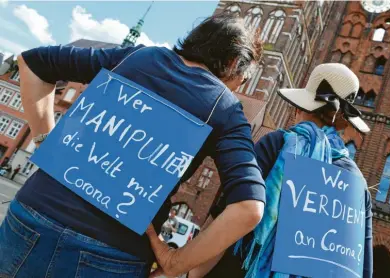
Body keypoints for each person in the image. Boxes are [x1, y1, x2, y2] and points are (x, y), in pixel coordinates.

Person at [0, 15, 266, 278]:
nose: (240, 84)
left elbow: (32, 62)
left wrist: (45, 143)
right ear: (233, 64)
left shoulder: (137, 57)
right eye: (244, 77)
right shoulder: (226, 108)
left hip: (34, 214)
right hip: (112, 252)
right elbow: (249, 207)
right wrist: (175, 263)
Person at [192, 63, 373, 278]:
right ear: (345, 123)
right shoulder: (359, 185)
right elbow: (361, 268)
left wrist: (191, 270)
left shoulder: (279, 144)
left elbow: (232, 213)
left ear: (300, 109)